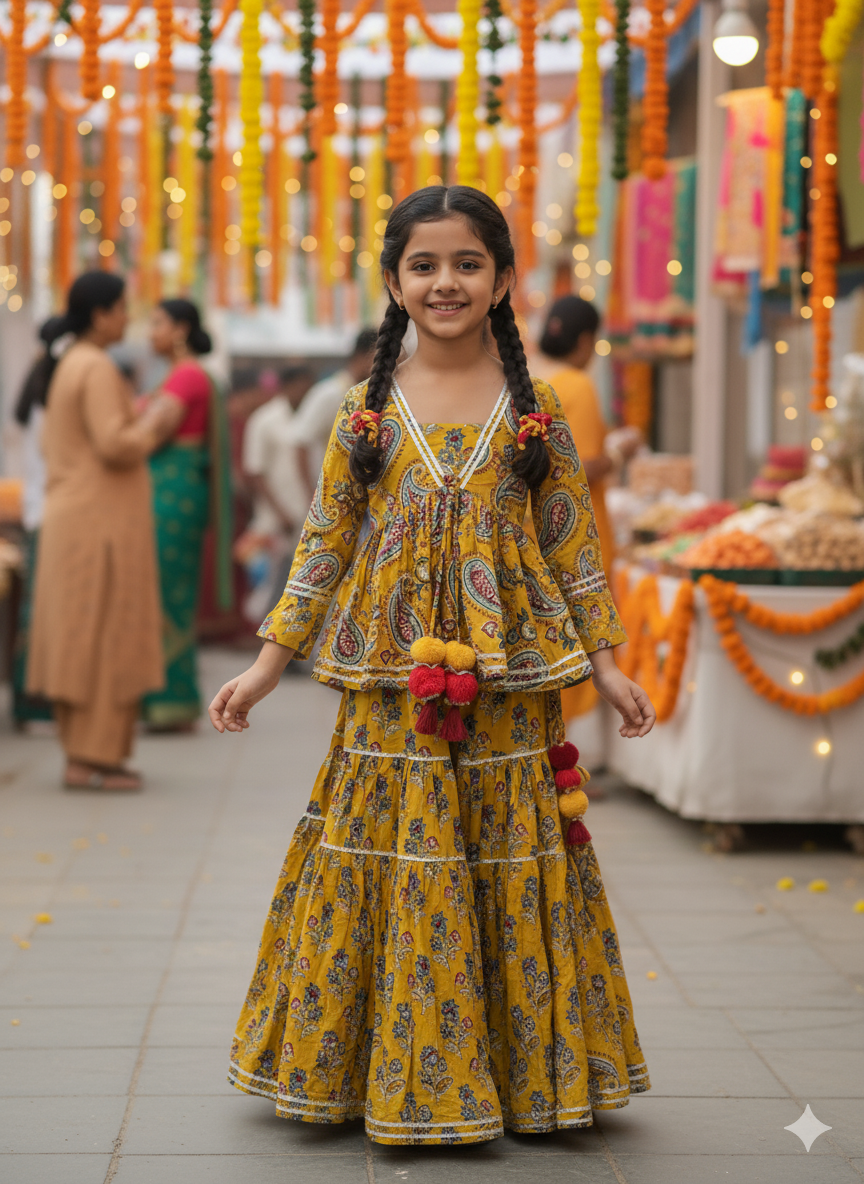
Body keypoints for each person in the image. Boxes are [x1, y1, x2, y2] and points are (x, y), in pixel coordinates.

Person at [209, 186, 655, 1145]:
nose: (445, 281)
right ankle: (362, 1072)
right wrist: (264, 666)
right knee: (395, 857)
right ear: (393, 281)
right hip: (390, 687)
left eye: (466, 263)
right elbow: (323, 542)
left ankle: (521, 1079)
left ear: (501, 280)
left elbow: (574, 545)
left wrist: (609, 668)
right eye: (424, 264)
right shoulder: (365, 412)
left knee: (501, 855)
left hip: (507, 688)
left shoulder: (534, 416)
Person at [27, 272, 168, 790]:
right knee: (107, 638)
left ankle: (81, 755)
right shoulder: (96, 367)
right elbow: (116, 445)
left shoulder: (70, 364)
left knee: (79, 637)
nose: (127, 318)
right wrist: (156, 419)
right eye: (121, 309)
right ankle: (96, 759)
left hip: (76, 517)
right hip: (99, 524)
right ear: (99, 314)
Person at [538, 295, 641, 728]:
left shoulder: (527, 374)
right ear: (586, 339)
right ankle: (566, 757)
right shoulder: (575, 384)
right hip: (573, 528)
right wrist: (618, 454)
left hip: (534, 528)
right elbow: (575, 466)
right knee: (578, 634)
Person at [141, 298, 232, 730]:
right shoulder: (182, 376)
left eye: (156, 322)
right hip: (171, 492)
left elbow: (148, 436)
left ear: (179, 328)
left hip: (172, 495)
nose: (149, 332)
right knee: (161, 591)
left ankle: (170, 703)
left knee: (166, 594)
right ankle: (161, 698)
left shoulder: (187, 376)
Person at [11, 316, 68, 726]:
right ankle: (35, 700)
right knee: (46, 612)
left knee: (37, 609)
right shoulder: (56, 396)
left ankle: (31, 701)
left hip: (41, 511)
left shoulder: (40, 392)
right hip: (55, 513)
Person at [239, 364, 316, 620]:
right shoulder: (264, 420)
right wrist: (279, 512)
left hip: (306, 513)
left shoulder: (310, 416)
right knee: (271, 585)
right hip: (275, 518)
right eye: (300, 387)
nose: (304, 392)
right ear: (287, 386)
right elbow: (255, 471)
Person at [290, 327, 377, 501]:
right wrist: (312, 496)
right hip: (331, 496)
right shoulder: (329, 394)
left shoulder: (372, 393)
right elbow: (301, 443)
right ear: (363, 356)